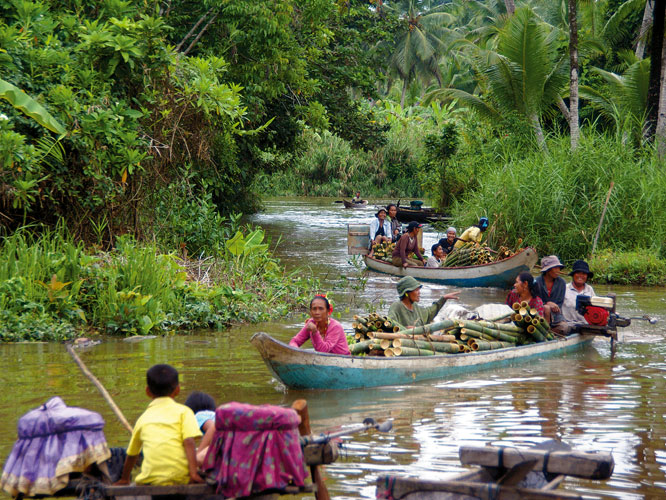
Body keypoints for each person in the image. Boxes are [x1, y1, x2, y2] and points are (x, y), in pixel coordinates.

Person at [115, 364, 203, 486]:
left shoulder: (143, 418)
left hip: (150, 480)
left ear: (147, 391)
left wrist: (124, 479)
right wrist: (193, 473)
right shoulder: (184, 412)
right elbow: (189, 441)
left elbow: (132, 454)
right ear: (177, 389)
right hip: (181, 478)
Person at [388, 276, 460, 328]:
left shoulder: (415, 306)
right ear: (406, 293)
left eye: (419, 290)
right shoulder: (396, 306)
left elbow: (429, 313)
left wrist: (443, 299)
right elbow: (390, 324)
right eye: (416, 290)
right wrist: (406, 329)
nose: (419, 293)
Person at [535, 255, 569, 334]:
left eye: (559, 268)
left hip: (555, 317)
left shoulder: (561, 283)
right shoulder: (536, 282)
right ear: (548, 270)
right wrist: (546, 304)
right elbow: (534, 301)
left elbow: (559, 304)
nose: (558, 270)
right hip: (539, 315)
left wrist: (552, 307)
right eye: (555, 268)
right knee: (546, 308)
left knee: (565, 328)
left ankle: (548, 332)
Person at [184, 391, 217, 466]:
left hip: (223, 442)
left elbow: (213, 427)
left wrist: (199, 453)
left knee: (194, 461)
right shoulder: (213, 415)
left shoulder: (198, 416)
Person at [562, 260, 596, 325]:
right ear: (573, 275)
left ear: (587, 276)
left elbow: (596, 308)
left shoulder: (589, 289)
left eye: (584, 274)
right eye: (578, 273)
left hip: (586, 325)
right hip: (568, 325)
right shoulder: (565, 289)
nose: (581, 276)